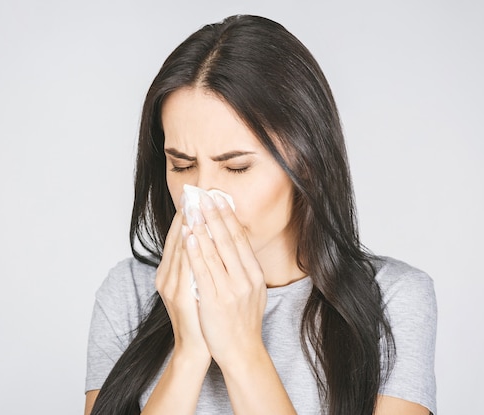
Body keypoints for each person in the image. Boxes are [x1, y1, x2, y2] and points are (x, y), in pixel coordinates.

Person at [84, 14, 436, 415]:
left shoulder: (394, 300)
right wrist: (189, 352)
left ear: (306, 162)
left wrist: (242, 352)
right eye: (181, 166)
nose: (203, 194)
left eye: (237, 167)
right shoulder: (130, 291)